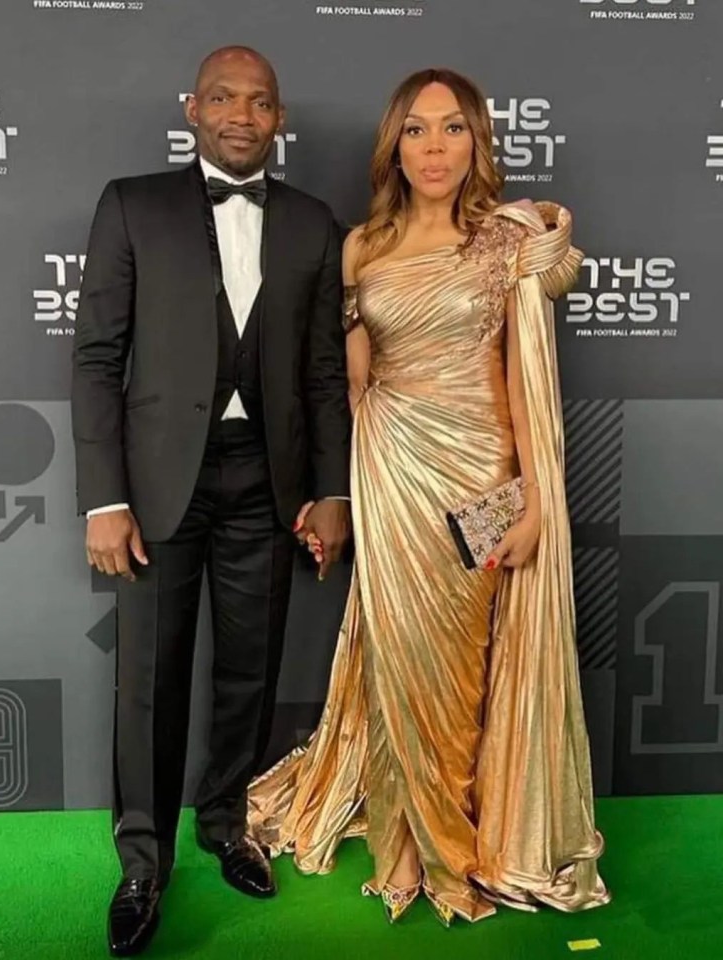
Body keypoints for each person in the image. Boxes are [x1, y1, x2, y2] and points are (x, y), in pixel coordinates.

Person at [248, 68, 610, 925]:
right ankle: (415, 840)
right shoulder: (361, 247)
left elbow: (526, 377)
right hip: (390, 472)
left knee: (460, 668)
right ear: (394, 145)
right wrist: (331, 488)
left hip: (483, 476)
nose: (435, 147)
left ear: (478, 141)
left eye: (453, 128)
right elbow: (354, 382)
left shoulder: (505, 241)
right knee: (401, 656)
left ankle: (460, 840)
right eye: (417, 129)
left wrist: (534, 505)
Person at [71, 46, 351, 956]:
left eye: (261, 101)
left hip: (265, 484)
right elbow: (97, 360)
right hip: (155, 490)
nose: (242, 113)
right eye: (225, 97)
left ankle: (226, 823)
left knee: (250, 668)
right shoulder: (131, 205)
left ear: (279, 119)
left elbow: (321, 376)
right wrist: (102, 499)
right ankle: (143, 863)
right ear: (192, 107)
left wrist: (330, 488)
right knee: (150, 678)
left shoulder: (313, 223)